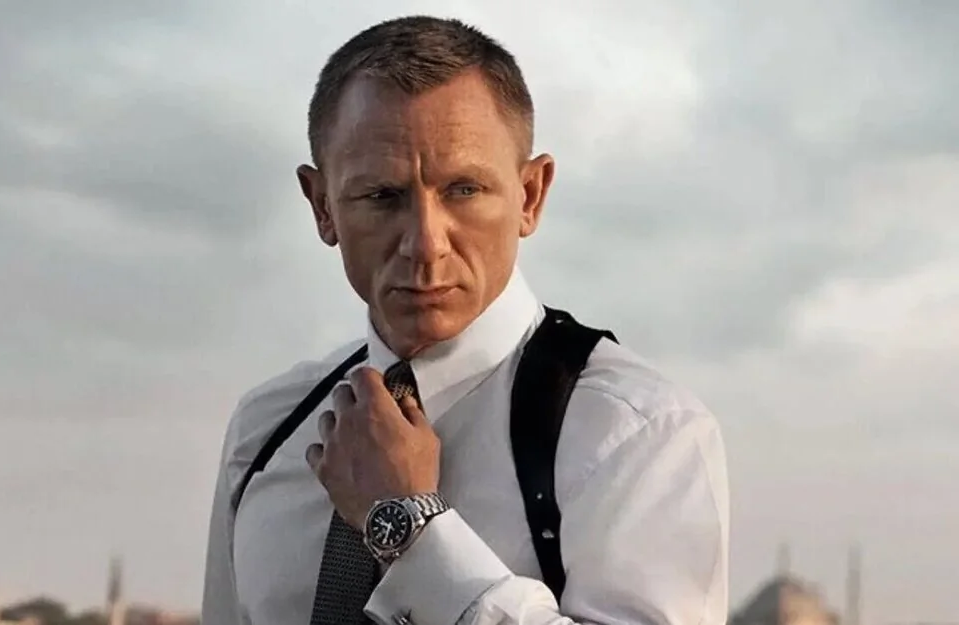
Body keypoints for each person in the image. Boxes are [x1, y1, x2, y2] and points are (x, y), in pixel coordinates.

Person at [201, 14, 729, 625]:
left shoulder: (639, 432)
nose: (426, 244)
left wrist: (409, 529)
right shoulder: (265, 432)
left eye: (464, 190)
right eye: (382, 196)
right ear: (322, 207)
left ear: (530, 195)